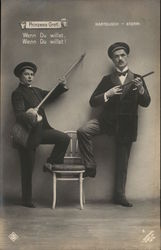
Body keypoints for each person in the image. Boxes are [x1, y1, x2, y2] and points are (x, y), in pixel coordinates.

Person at [77, 42, 151, 207]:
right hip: (107, 122)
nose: (120, 58)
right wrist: (107, 94)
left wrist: (141, 91)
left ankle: (120, 196)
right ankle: (90, 166)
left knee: (122, 164)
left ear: (127, 56)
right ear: (112, 59)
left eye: (122, 55)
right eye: (116, 56)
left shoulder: (138, 78)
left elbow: (146, 103)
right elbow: (92, 102)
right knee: (83, 131)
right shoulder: (107, 80)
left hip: (126, 127)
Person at [12, 62, 70, 207]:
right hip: (28, 135)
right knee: (27, 168)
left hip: (42, 132)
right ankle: (26, 200)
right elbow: (18, 115)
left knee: (64, 138)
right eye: (26, 74)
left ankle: (50, 162)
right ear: (20, 76)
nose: (30, 77)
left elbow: (51, 94)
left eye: (31, 74)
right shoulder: (17, 93)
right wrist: (29, 114)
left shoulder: (37, 91)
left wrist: (62, 85)